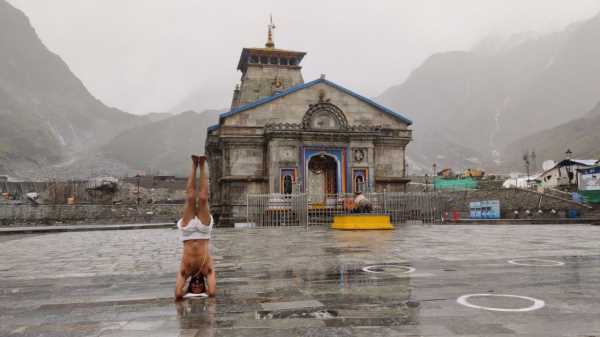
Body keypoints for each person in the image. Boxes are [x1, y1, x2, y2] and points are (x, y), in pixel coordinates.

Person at [175, 155, 216, 299]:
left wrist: (187, 290)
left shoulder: (185, 271)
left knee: (191, 198)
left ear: (190, 284)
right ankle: (203, 165)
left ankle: (194, 165)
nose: (197, 285)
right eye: (200, 286)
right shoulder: (207, 269)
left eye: (195, 286)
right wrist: (203, 292)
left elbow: (178, 294)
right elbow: (211, 292)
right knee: (203, 199)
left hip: (187, 233)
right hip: (203, 233)